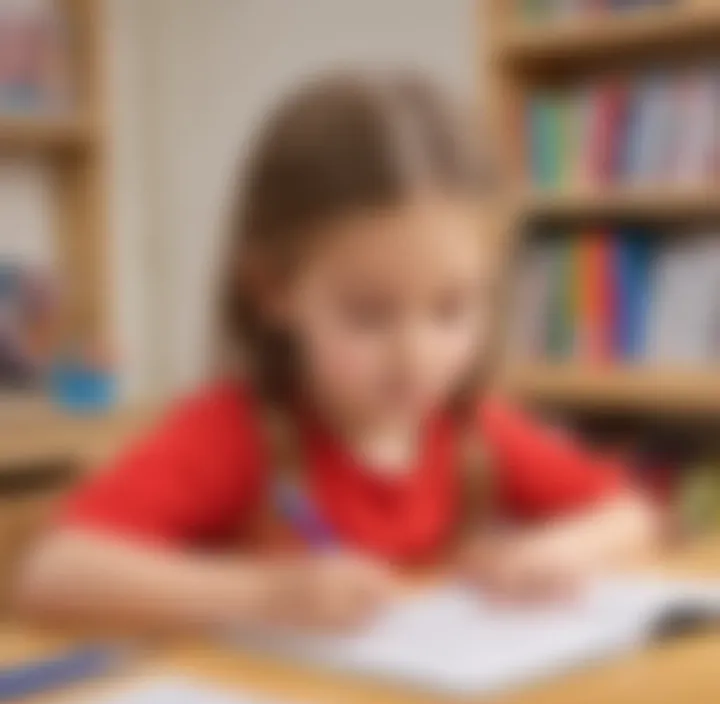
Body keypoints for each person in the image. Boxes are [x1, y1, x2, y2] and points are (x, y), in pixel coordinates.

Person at [15, 72, 656, 632]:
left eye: (453, 309)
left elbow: (629, 515)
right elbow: (51, 573)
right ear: (272, 291)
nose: (417, 357)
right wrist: (261, 593)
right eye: (369, 315)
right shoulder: (236, 434)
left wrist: (559, 554)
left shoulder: (469, 433)